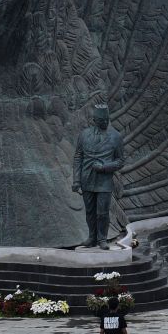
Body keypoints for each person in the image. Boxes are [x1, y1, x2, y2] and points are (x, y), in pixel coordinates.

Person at [71, 103, 125, 249]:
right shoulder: (84, 135)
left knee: (102, 212)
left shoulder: (116, 137)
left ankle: (102, 238)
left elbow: (120, 161)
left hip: (104, 180)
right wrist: (76, 180)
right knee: (89, 211)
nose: (105, 123)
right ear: (94, 120)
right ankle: (92, 237)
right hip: (87, 178)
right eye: (101, 121)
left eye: (107, 120)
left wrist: (105, 167)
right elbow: (78, 157)